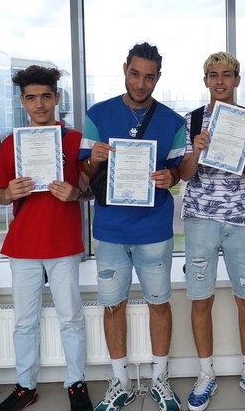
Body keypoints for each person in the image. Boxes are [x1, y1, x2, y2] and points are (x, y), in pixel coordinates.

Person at [80, 43, 186, 411]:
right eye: (135, 74)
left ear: (159, 77)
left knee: (159, 304)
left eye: (149, 77)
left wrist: (170, 177)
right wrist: (93, 160)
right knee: (113, 306)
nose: (141, 83)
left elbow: (178, 171)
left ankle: (160, 379)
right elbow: (84, 174)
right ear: (125, 69)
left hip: (153, 229)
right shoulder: (98, 114)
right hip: (110, 229)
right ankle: (120, 382)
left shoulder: (173, 121)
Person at [0, 66, 93, 411]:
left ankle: (76, 383)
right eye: (31, 97)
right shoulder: (11, 144)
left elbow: (91, 191)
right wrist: (9, 191)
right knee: (24, 322)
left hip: (62, 243)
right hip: (23, 246)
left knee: (71, 318)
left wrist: (76, 194)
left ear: (57, 98)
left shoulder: (75, 140)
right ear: (22, 101)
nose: (39, 104)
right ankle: (26, 386)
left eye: (46, 97)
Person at [178, 52, 245, 411]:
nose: (220, 81)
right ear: (205, 81)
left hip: (241, 219)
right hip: (200, 219)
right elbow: (184, 175)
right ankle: (206, 374)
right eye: (213, 75)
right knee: (201, 299)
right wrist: (195, 152)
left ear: (237, 80)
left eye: (227, 75)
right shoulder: (191, 121)